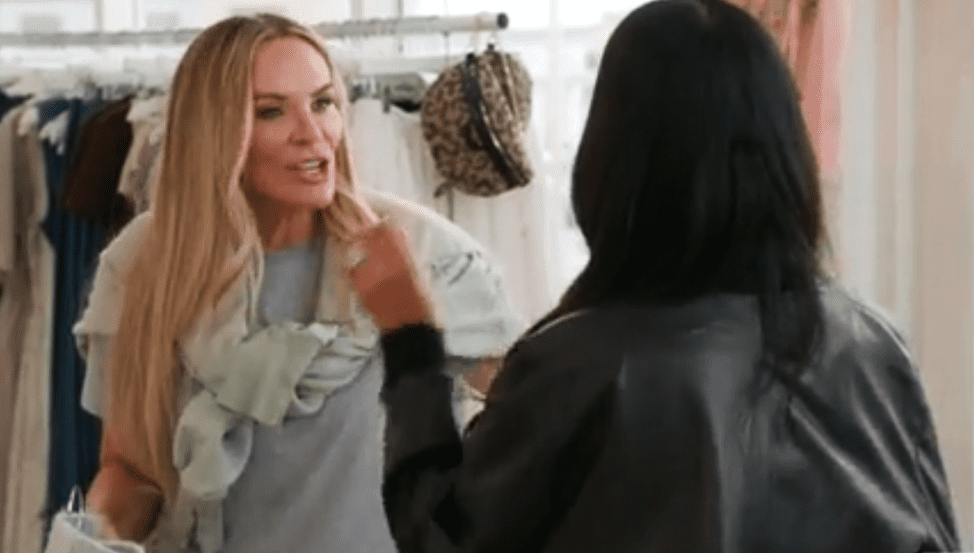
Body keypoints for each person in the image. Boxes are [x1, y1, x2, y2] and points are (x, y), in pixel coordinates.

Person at [354, 1, 962, 551]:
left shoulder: (580, 365)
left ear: (615, 154)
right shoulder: (873, 344)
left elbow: (445, 536)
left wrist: (411, 340)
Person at [74, 13, 523, 553]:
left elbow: (529, 431)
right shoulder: (142, 265)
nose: (313, 134)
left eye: (323, 102)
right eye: (271, 111)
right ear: (213, 132)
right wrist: (92, 536)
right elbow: (130, 472)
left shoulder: (423, 254)